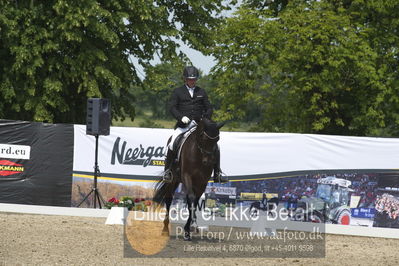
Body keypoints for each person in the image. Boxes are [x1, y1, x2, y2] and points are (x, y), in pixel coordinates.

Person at [163, 66, 228, 183]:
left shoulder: (201, 92)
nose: (192, 81)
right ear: (185, 79)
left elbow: (209, 108)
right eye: (189, 79)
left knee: (215, 146)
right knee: (172, 143)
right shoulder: (178, 92)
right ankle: (168, 172)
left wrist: (205, 118)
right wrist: (181, 117)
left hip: (199, 125)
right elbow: (172, 108)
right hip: (184, 125)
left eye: (194, 79)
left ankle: (217, 172)